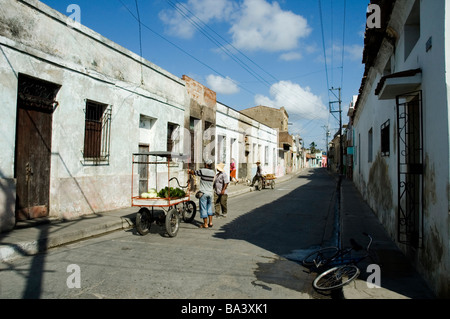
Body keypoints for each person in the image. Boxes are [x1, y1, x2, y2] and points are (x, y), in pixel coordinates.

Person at [188, 159, 215, 228]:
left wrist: (189, 171)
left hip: (203, 193)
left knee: (203, 208)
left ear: (206, 165)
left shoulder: (203, 171)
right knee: (209, 207)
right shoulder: (213, 172)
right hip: (210, 193)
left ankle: (205, 224)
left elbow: (194, 172)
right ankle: (210, 223)